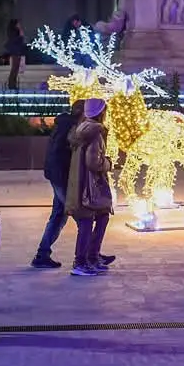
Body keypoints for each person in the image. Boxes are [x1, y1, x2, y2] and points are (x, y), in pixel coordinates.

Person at [32, 100, 87, 268]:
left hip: (56, 175)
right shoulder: (72, 128)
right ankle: (90, 255)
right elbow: (65, 154)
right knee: (81, 217)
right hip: (60, 176)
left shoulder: (64, 124)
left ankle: (42, 255)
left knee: (58, 215)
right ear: (81, 113)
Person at [65, 98, 115, 276]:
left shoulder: (83, 129)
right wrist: (108, 163)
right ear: (101, 113)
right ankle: (80, 263)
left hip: (81, 183)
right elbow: (93, 162)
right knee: (86, 223)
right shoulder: (95, 133)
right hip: (89, 185)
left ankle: (92, 257)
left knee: (102, 217)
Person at [5, 19, 28, 90]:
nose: (19, 24)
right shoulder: (14, 31)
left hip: (17, 51)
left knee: (15, 69)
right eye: (18, 23)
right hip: (16, 52)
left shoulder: (14, 31)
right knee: (14, 69)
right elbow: (18, 40)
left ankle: (12, 85)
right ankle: (11, 85)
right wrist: (21, 35)